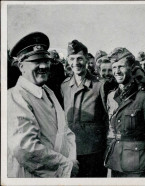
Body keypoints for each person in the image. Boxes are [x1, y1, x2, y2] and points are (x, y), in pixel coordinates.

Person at [7, 32, 78, 177]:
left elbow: (66, 132)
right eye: (36, 61)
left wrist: (71, 160)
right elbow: (25, 148)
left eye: (46, 60)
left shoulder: (47, 91)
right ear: (21, 66)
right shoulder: (14, 97)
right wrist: (66, 166)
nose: (44, 66)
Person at [104, 47, 145, 177]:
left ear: (131, 68)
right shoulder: (111, 96)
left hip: (137, 163)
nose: (117, 71)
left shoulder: (144, 97)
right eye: (114, 67)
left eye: (121, 67)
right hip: (116, 160)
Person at [61, 40, 108, 177]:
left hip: (94, 152)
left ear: (87, 59)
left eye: (80, 58)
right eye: (72, 59)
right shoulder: (64, 86)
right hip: (70, 151)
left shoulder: (99, 86)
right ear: (68, 61)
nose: (76, 63)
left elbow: (107, 119)